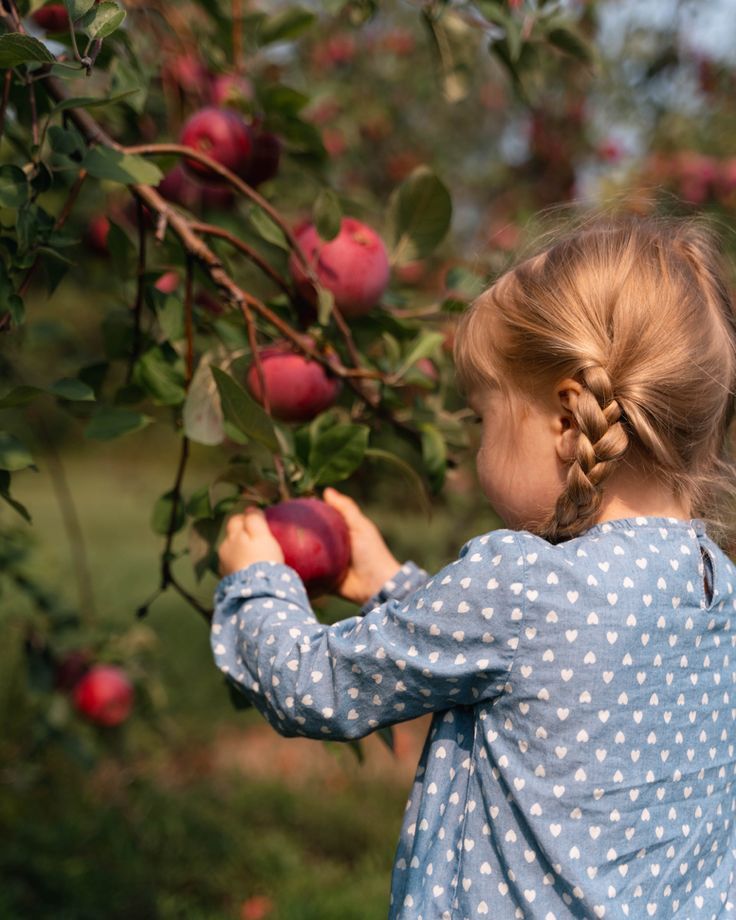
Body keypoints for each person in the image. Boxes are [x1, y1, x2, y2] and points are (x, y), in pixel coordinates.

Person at [211, 215, 736, 919]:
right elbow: (545, 670)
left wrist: (256, 582)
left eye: (483, 417)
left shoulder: (521, 584)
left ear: (566, 419)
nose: (478, 443)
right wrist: (393, 587)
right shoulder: (717, 591)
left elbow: (315, 684)